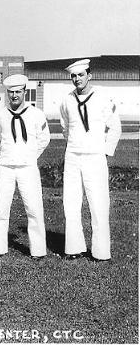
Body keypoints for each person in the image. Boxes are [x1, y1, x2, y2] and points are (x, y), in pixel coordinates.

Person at [59, 59, 121, 261]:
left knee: (99, 204)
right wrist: (75, 146)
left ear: (89, 76)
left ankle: (101, 252)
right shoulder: (67, 100)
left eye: (81, 75)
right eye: (74, 76)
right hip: (73, 156)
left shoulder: (102, 97)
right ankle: (74, 248)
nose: (77, 79)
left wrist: (104, 151)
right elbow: (66, 128)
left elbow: (115, 128)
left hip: (95, 157)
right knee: (71, 202)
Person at [0, 74, 50, 259]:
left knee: (34, 208)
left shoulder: (36, 114)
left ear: (24, 92)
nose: (14, 95)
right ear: (7, 93)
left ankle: (38, 251)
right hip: (6, 167)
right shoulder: (0, 115)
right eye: (11, 92)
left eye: (18, 91)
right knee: (1, 208)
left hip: (28, 167)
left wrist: (29, 156)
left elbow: (44, 139)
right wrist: (9, 155)